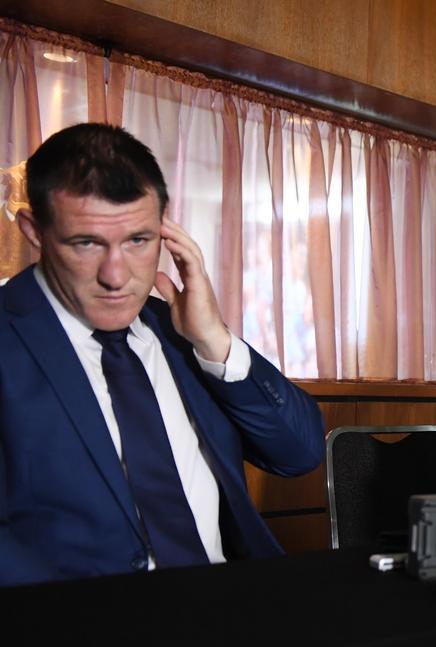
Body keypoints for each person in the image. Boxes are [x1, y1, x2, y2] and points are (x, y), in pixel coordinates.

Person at [0, 123, 324, 586]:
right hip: (70, 636)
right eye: (86, 243)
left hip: (233, 612)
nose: (116, 277)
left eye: (138, 240)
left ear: (165, 228)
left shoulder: (179, 330)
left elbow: (300, 453)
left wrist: (215, 341)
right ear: (35, 230)